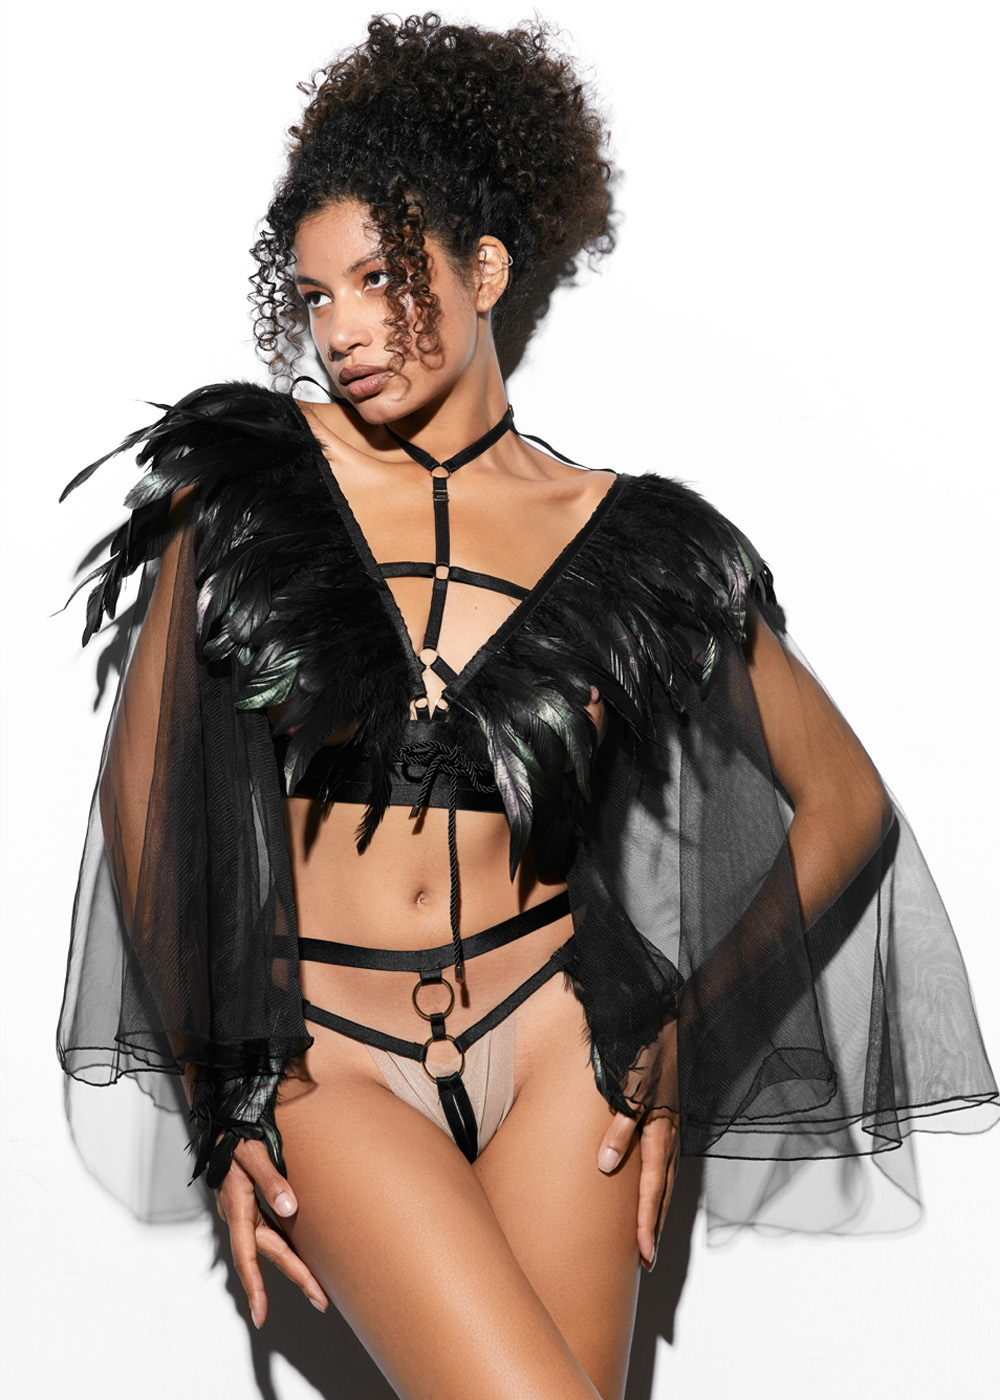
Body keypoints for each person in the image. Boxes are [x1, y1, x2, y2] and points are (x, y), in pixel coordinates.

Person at [57, 13, 997, 1400]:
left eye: (381, 278)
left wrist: (684, 1028)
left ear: (483, 269)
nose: (343, 330)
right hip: (334, 1062)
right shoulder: (248, 493)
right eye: (315, 295)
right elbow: (147, 803)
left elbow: (844, 805)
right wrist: (224, 1084)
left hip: (565, 1047)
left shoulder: (633, 540)